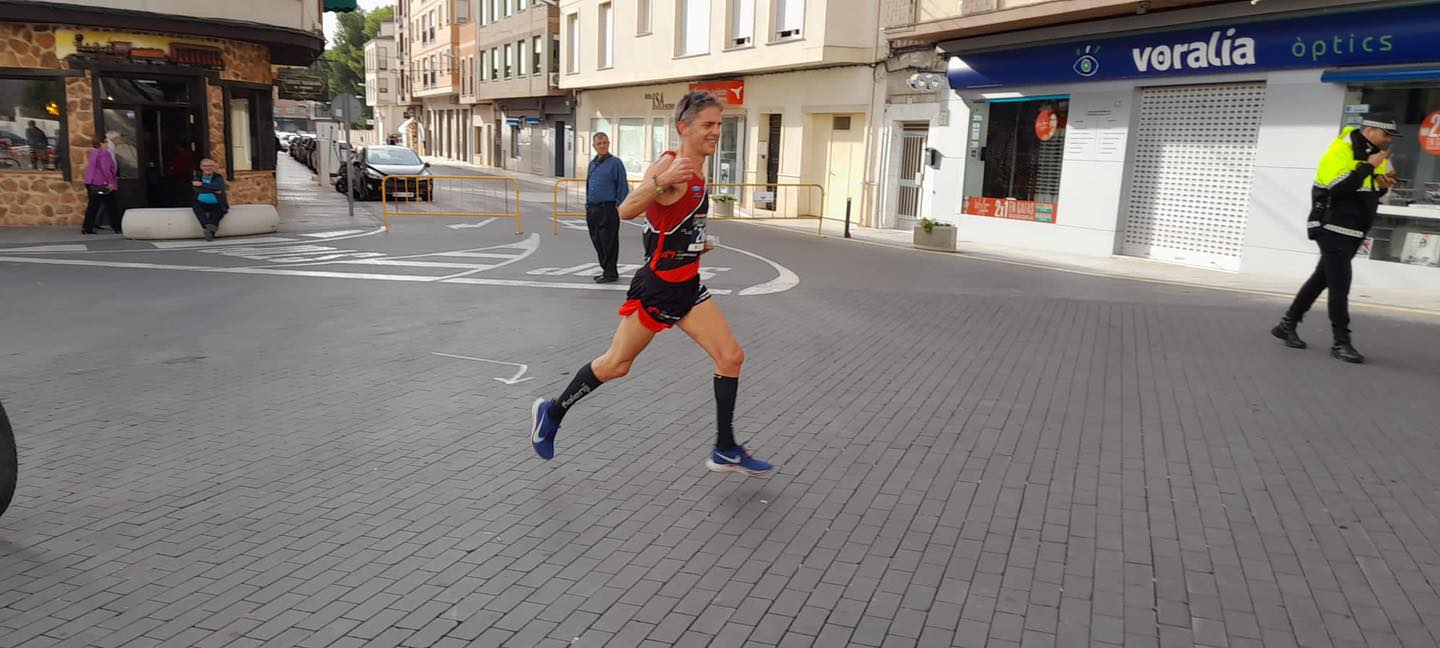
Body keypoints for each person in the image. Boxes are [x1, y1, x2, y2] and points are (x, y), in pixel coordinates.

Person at [528, 91, 773, 478]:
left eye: (718, 124)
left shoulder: (699, 168)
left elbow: (663, 224)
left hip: (688, 286)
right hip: (658, 290)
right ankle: (552, 411)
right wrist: (660, 182)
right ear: (684, 128)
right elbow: (626, 209)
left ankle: (725, 448)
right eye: (708, 125)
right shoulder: (671, 166)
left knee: (731, 357)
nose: (715, 131)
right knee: (616, 365)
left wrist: (693, 244)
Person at [1271, 115, 1400, 364]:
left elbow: (1367, 191)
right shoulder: (1341, 149)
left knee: (1321, 279)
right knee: (1340, 285)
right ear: (1370, 130)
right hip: (1332, 226)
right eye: (1385, 134)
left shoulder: (1377, 154)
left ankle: (1286, 325)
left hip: (1354, 229)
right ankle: (1341, 342)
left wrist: (1383, 185)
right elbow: (1338, 188)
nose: (1388, 140)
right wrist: (1370, 166)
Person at [585, 132, 630, 283]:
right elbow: (588, 184)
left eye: (605, 143)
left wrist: (619, 205)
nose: (602, 146)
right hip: (593, 208)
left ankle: (611, 273)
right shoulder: (592, 163)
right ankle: (606, 269)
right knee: (597, 239)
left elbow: (622, 186)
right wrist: (587, 205)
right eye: (599, 143)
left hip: (608, 208)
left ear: (608, 144)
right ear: (594, 146)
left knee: (608, 240)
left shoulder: (615, 163)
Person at [81, 138, 119, 235]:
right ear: (101, 143)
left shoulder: (94, 153)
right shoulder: (104, 153)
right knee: (111, 206)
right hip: (102, 183)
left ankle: (87, 227)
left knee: (93, 206)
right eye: (105, 142)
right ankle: (117, 227)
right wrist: (111, 183)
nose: (107, 144)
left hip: (91, 182)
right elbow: (105, 168)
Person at [191, 158, 228, 241]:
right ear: (201, 167)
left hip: (217, 202)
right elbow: (197, 189)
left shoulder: (218, 177)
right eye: (205, 166)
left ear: (214, 167)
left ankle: (209, 233)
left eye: (210, 166)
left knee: (218, 213)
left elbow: (219, 187)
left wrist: (202, 185)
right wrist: (213, 189)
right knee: (197, 208)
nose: (208, 168)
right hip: (201, 202)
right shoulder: (197, 176)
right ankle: (208, 226)